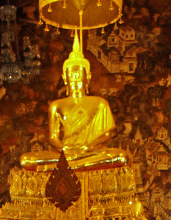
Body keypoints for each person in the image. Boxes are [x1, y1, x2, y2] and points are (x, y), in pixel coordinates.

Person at [20, 33, 127, 170]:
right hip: (66, 153)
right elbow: (54, 138)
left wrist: (88, 146)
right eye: (71, 75)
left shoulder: (100, 103)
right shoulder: (56, 105)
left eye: (79, 74)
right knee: (26, 160)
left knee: (121, 157)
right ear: (65, 78)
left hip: (91, 152)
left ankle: (67, 166)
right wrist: (65, 149)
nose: (75, 78)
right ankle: (75, 165)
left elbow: (107, 134)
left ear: (87, 77)